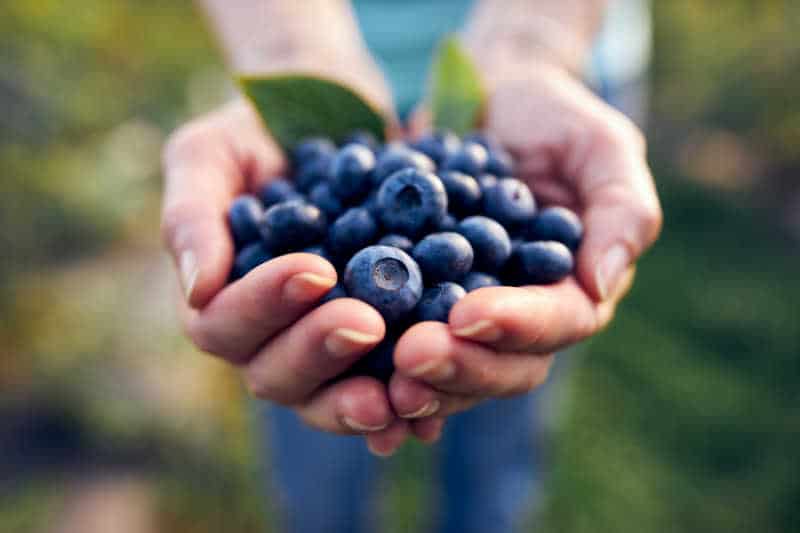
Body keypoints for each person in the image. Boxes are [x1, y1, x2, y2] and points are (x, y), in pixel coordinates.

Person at [160, 1, 662, 531]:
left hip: (557, 66)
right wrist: (288, 51)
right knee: (322, 406)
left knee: (499, 392)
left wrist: (532, 42)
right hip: (298, 44)